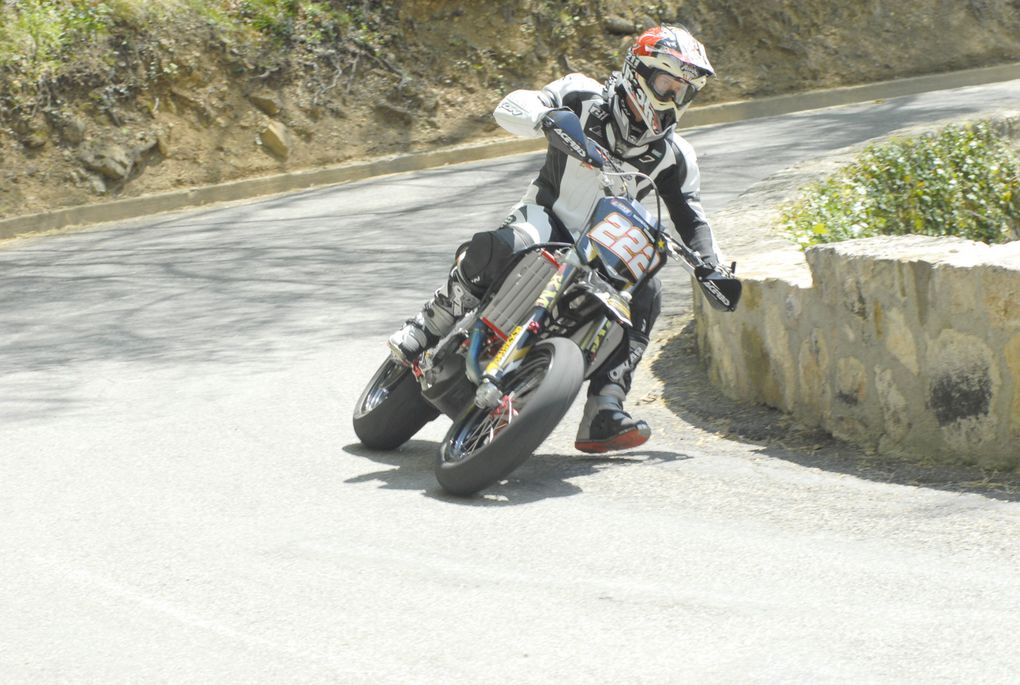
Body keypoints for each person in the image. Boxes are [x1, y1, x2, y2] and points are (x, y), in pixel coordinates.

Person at [389, 25, 730, 453]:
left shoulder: (676, 156)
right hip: (546, 222)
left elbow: (692, 219)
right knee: (512, 242)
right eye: (668, 84)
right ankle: (427, 327)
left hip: (604, 253)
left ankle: (605, 409)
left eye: (685, 91)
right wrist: (541, 114)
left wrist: (712, 266)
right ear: (639, 72)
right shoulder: (582, 95)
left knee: (650, 292)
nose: (674, 100)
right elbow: (512, 106)